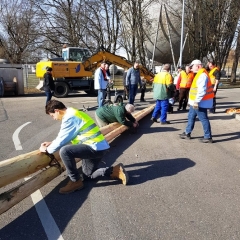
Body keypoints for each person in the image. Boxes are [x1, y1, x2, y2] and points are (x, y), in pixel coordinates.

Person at [39, 100, 129, 194]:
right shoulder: (73, 112)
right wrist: (52, 142)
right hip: (98, 147)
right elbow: (65, 135)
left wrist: (47, 150)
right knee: (88, 175)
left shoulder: (70, 117)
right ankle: (116, 171)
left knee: (65, 151)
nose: (53, 118)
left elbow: (62, 139)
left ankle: (75, 181)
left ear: (57, 111)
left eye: (52, 115)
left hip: (93, 147)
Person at [179, 59, 214, 143]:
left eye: (192, 66)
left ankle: (208, 137)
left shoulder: (202, 75)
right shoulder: (199, 74)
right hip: (195, 102)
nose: (191, 68)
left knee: (203, 119)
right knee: (191, 116)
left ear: (198, 66)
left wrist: (196, 101)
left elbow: (202, 90)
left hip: (199, 103)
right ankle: (187, 132)